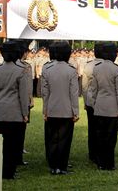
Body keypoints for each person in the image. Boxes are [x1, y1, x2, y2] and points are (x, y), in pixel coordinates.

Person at [0, 41, 30, 179]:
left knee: (3, 144)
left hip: (1, 110)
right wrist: (25, 114)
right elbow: (23, 95)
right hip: (15, 112)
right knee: (13, 145)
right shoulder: (21, 70)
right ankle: (10, 172)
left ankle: (2, 170)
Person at [42, 41, 79, 175]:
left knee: (52, 139)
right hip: (66, 110)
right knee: (64, 141)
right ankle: (61, 167)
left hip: (51, 108)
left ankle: (53, 166)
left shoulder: (47, 69)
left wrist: (45, 111)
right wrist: (75, 111)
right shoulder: (71, 70)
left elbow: (45, 93)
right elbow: (73, 93)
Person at [90, 42, 118, 170]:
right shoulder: (116, 69)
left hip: (99, 105)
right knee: (110, 137)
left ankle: (100, 163)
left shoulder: (97, 68)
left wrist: (95, 103)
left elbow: (93, 90)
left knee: (100, 136)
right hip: (112, 107)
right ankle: (109, 163)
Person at [81, 43, 103, 163]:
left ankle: (92, 153)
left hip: (90, 101)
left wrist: (85, 101)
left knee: (92, 128)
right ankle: (101, 152)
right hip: (103, 101)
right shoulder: (106, 66)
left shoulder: (89, 66)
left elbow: (84, 87)